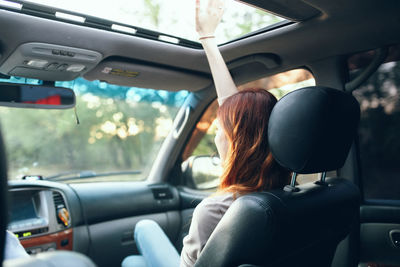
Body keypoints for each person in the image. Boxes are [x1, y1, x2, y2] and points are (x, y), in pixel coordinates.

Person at [125, 1, 291, 266]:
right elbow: (241, 118)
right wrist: (207, 39)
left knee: (137, 249)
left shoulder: (215, 211)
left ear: (238, 143)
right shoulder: (296, 196)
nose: (215, 139)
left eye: (219, 130)